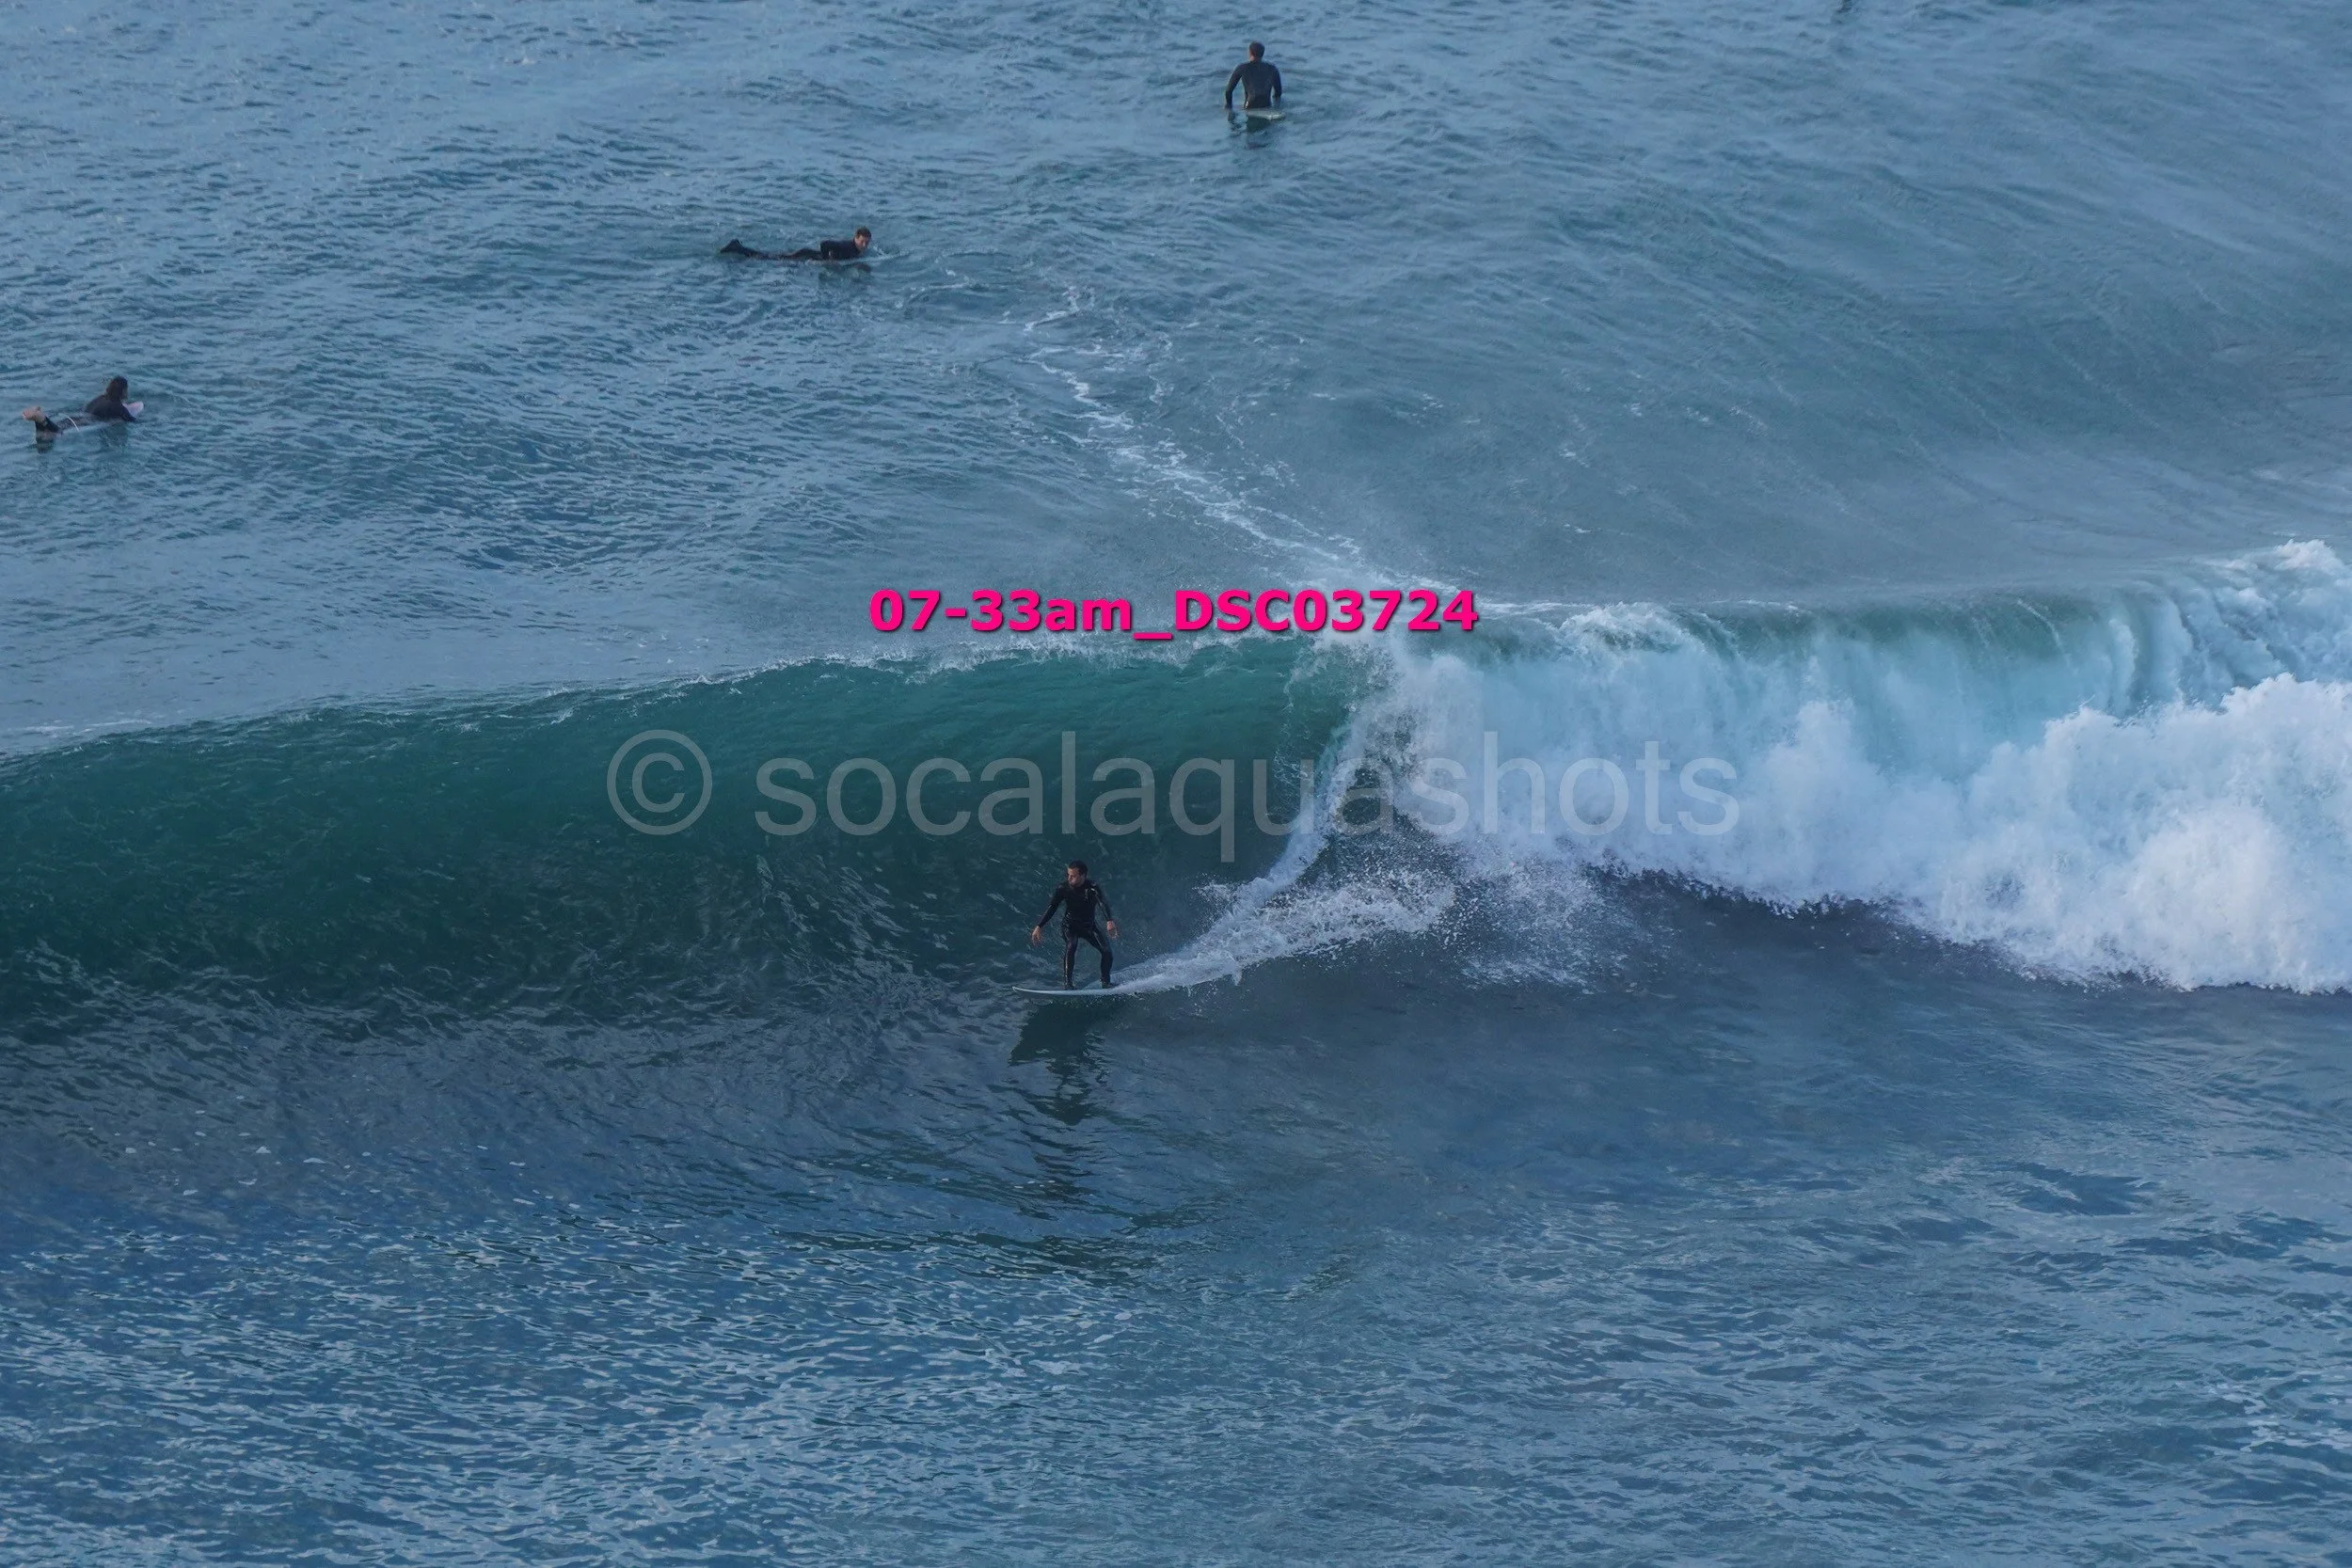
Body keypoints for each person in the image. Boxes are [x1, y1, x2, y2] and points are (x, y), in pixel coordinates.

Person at [1030, 860, 1120, 990]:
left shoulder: (1093, 887)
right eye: (1068, 875)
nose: (1069, 878)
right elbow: (1052, 907)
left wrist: (1109, 921)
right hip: (1069, 926)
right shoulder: (1063, 888)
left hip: (1089, 925)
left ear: (1083, 875)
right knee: (1072, 945)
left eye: (1073, 876)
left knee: (1107, 952)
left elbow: (1102, 903)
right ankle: (1068, 984)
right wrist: (1039, 926)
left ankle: (1106, 982)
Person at [21, 377, 136, 443]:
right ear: (123, 391)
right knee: (58, 432)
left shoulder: (100, 398)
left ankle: (39, 420)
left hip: (79, 416)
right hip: (88, 421)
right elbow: (131, 420)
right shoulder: (117, 406)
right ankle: (41, 418)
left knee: (46, 433)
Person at [721, 229, 871, 262]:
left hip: (808, 256)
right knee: (769, 258)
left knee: (771, 257)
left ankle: (739, 248)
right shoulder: (847, 246)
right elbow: (824, 244)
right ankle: (737, 248)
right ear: (855, 238)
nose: (864, 245)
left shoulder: (855, 250)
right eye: (862, 241)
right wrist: (829, 259)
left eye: (867, 242)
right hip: (806, 255)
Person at [1224, 42, 1282, 112]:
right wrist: (1276, 107)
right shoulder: (1272, 68)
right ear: (1263, 53)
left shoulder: (1242, 68)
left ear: (1250, 53)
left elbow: (1228, 91)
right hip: (1266, 105)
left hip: (1250, 106)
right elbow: (1278, 92)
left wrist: (1229, 106)